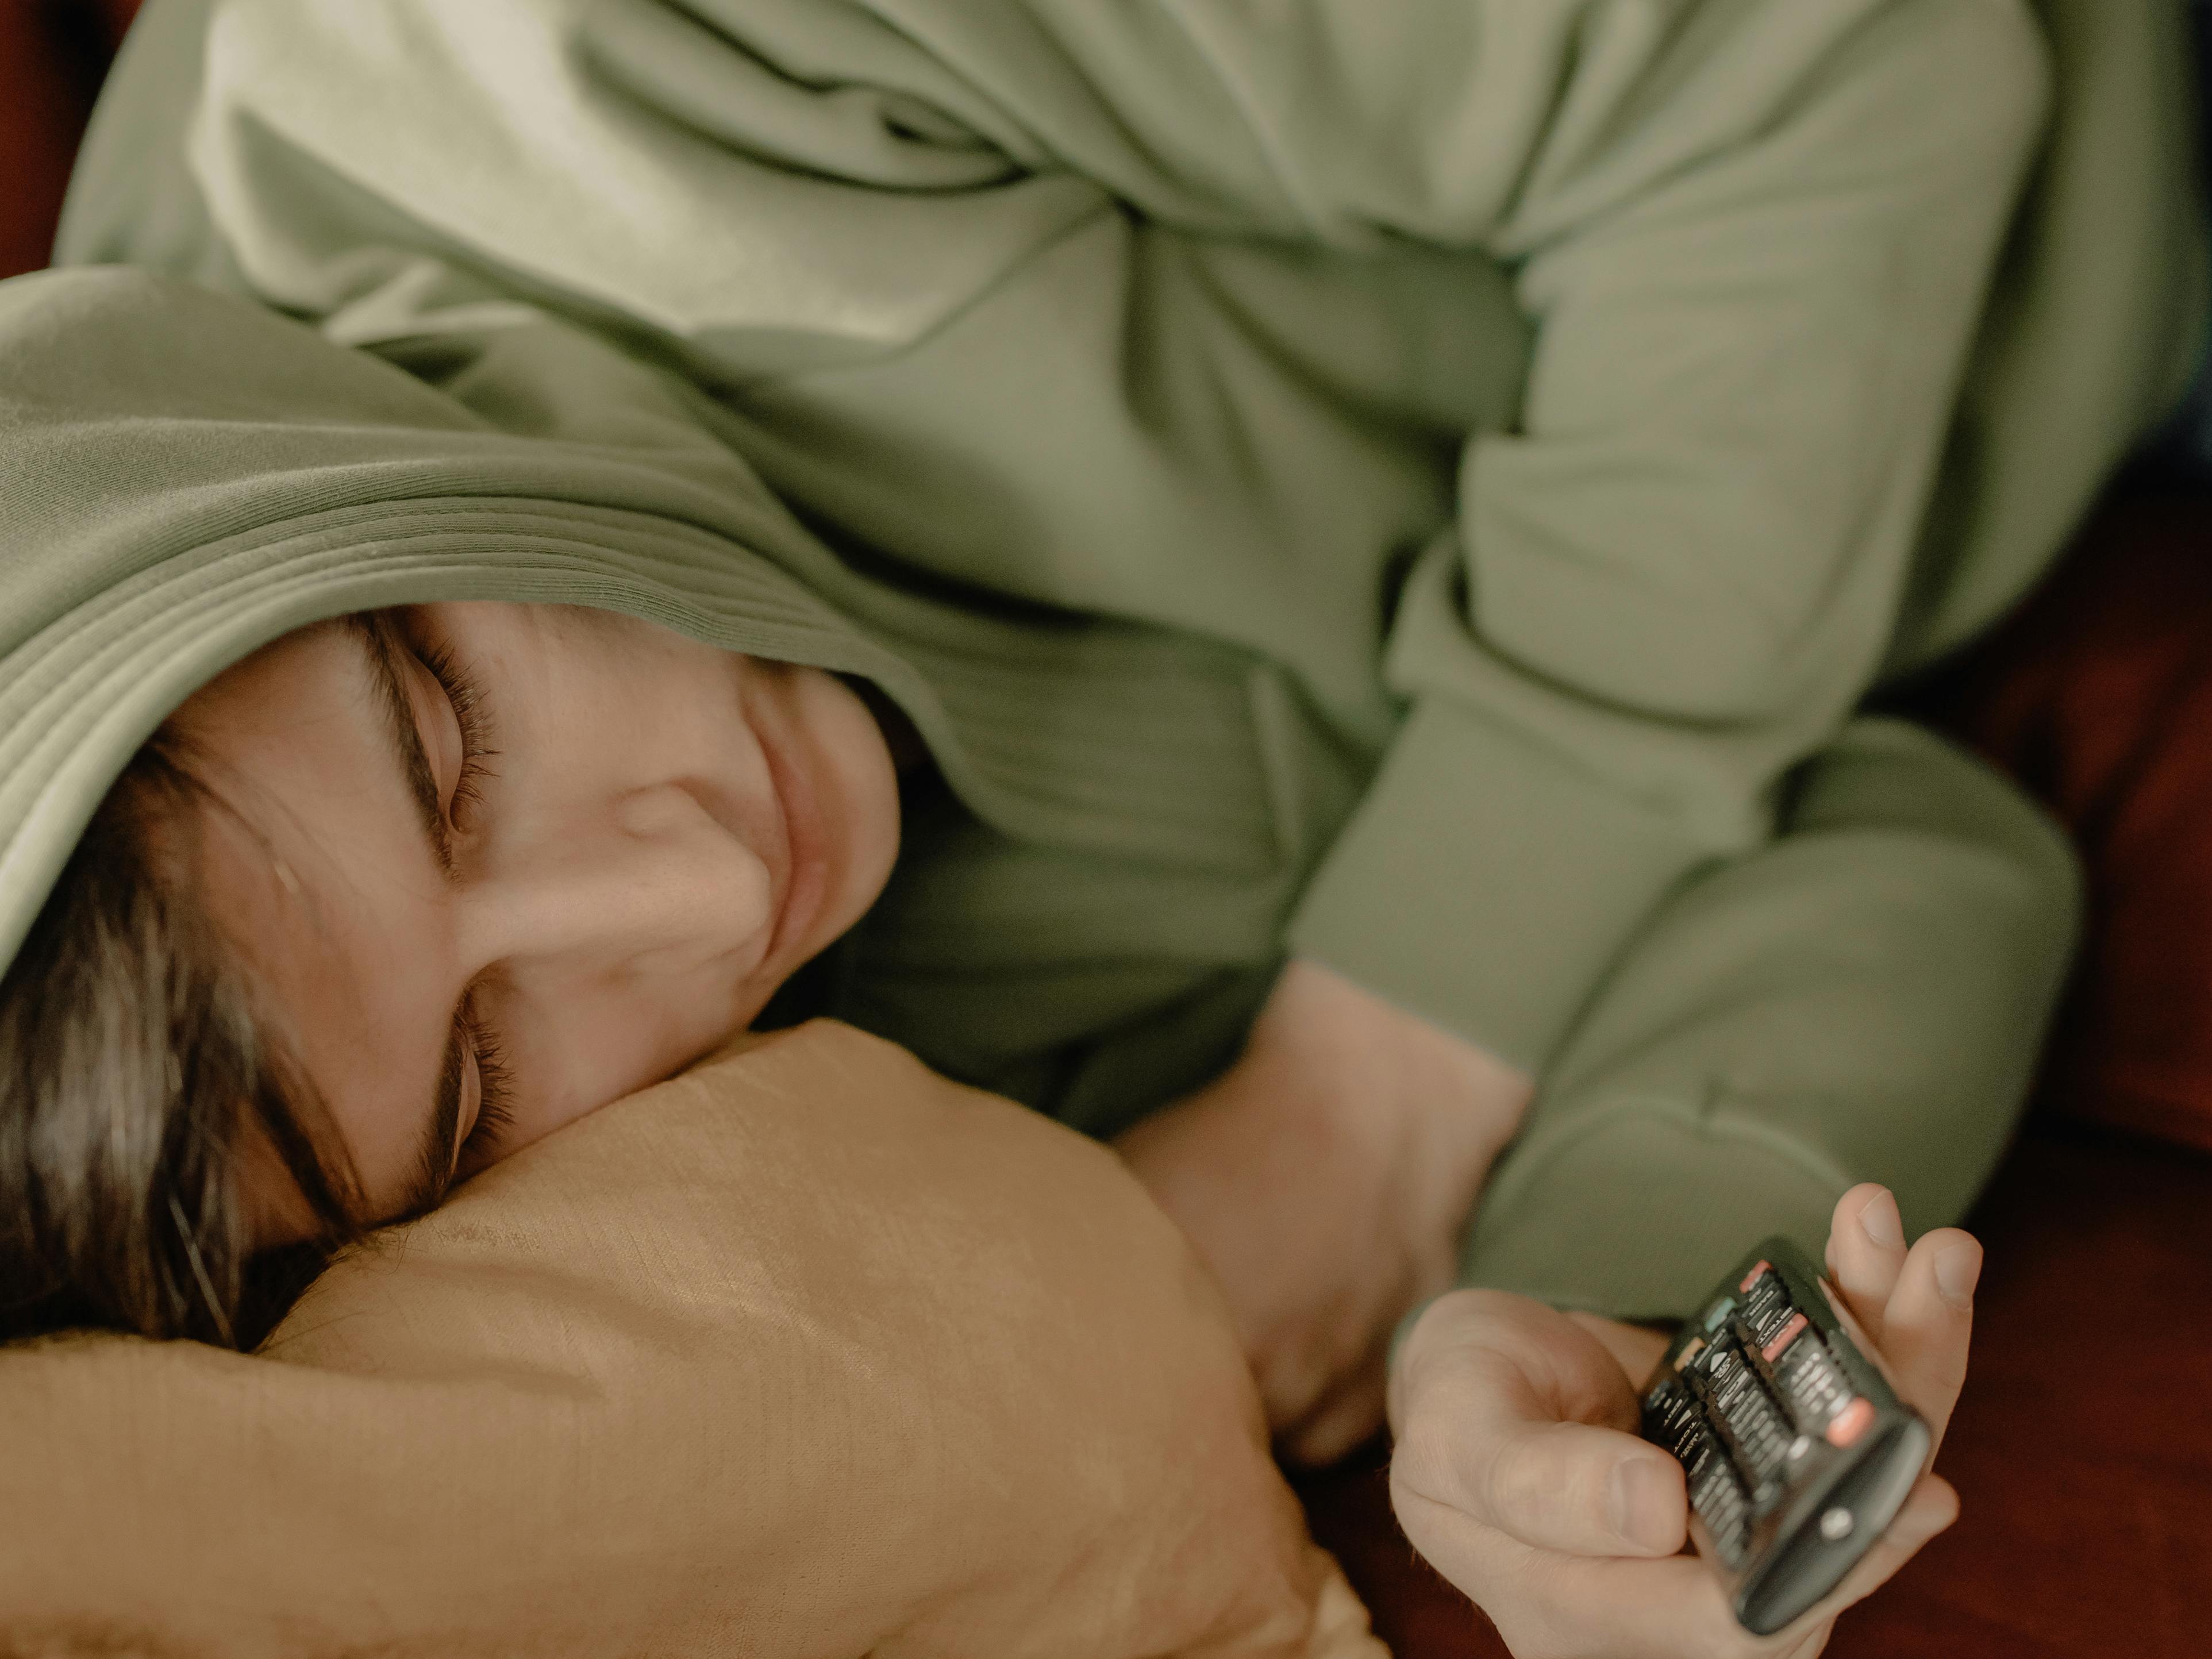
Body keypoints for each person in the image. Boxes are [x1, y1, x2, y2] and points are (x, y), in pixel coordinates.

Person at [0, 0, 2200, 1652]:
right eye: (478, 1078)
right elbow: (1919, 842)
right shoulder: (780, 1115)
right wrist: (1552, 1283)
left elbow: (1814, 50)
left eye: (449, 732)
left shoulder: (584, 52)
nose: (697, 893)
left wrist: (1389, 1073)